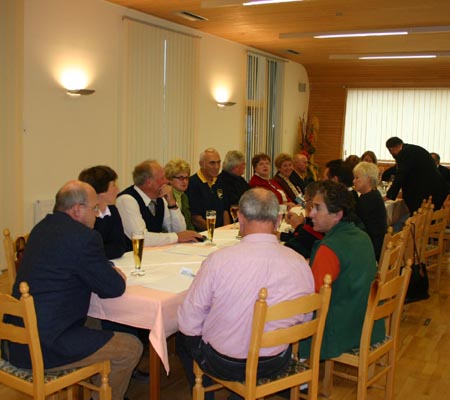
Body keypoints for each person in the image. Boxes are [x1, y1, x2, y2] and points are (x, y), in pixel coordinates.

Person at [8, 180, 143, 400]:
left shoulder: (40, 228)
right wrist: (112, 273)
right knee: (131, 347)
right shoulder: (83, 237)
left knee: (97, 321)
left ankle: (102, 391)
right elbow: (113, 287)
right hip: (45, 346)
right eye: (95, 208)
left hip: (16, 339)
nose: (97, 215)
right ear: (77, 209)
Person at [176, 188, 315, 390]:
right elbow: (305, 318)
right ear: (278, 220)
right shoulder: (299, 262)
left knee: (183, 338)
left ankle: (208, 392)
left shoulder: (219, 261)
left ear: (240, 218)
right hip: (277, 360)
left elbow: (189, 322)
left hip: (227, 364)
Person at [302, 180, 384, 360]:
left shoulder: (330, 248)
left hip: (339, 331)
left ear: (337, 215)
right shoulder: (361, 236)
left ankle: (300, 367)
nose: (311, 213)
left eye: (317, 208)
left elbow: (313, 297)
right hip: (364, 321)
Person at [116, 160, 201, 249]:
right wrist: (177, 237)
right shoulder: (126, 200)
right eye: (162, 178)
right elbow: (141, 238)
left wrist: (172, 203)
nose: (166, 181)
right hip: (130, 255)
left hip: (153, 252)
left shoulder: (160, 198)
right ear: (149, 182)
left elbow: (180, 230)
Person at [385, 137, 448, 212]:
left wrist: (389, 195)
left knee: (418, 216)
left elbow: (401, 175)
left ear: (391, 149)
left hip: (426, 193)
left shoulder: (405, 153)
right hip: (435, 190)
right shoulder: (413, 150)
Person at [78, 165, 126, 259]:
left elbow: (120, 246)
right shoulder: (84, 215)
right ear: (102, 191)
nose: (118, 190)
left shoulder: (112, 210)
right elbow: (87, 250)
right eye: (113, 186)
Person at [186, 148, 231, 231]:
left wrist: (226, 231)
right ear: (201, 164)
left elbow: (225, 211)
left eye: (218, 162)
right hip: (203, 233)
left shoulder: (220, 182)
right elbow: (195, 218)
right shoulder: (192, 183)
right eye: (212, 163)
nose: (217, 167)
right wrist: (214, 232)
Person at [353, 162, 387, 261]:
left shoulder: (368, 200)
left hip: (371, 249)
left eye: (357, 178)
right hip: (375, 243)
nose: (354, 181)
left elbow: (356, 223)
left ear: (368, 179)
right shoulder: (374, 194)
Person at [284, 181, 324, 260]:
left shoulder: (318, 227)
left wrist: (298, 226)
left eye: (305, 202)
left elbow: (291, 249)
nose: (312, 213)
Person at [164, 158, 196, 231]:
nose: (185, 181)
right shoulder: (165, 197)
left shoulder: (184, 196)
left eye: (187, 178)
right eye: (181, 178)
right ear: (170, 179)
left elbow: (188, 223)